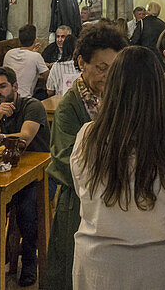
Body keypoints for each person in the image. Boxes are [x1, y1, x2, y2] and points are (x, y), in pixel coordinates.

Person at [72, 46, 165, 290]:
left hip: (99, 266)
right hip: (164, 267)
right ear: (158, 87)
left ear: (112, 87)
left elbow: (83, 190)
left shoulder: (87, 137)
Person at [47, 23, 127, 289]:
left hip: (115, 201)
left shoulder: (116, 98)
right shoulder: (70, 107)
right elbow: (65, 160)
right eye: (101, 68)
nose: (107, 76)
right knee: (74, 270)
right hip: (79, 205)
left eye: (113, 69)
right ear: (82, 62)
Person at [0, 67, 51, 286]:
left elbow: (25, 137)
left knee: (27, 209)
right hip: (5, 175)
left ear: (15, 87)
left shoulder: (31, 106)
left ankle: (28, 259)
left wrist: (0, 137)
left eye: (3, 86)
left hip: (39, 175)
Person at [3, 24, 50, 98]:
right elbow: (48, 76)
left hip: (7, 96)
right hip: (24, 99)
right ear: (35, 40)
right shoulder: (35, 56)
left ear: (19, 40)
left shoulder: (9, 53)